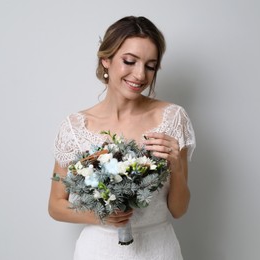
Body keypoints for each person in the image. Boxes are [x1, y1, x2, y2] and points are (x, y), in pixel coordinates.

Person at [48, 16, 196, 260]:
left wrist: (177, 169)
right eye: (129, 61)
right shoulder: (75, 126)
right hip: (98, 250)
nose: (140, 75)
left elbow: (179, 210)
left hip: (158, 248)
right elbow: (55, 205)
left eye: (150, 66)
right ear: (106, 59)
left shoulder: (172, 118)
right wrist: (100, 215)